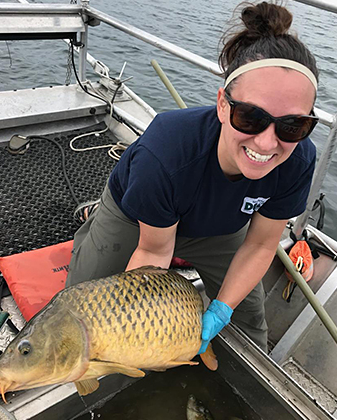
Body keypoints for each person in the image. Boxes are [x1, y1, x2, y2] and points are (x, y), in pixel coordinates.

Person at [66, 1, 319, 354]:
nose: (266, 142)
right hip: (139, 225)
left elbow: (261, 244)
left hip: (221, 228)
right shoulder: (165, 153)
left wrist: (222, 308)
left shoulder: (298, 158)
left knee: (248, 318)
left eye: (293, 125)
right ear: (222, 104)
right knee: (83, 314)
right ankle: (98, 219)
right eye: (249, 117)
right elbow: (154, 250)